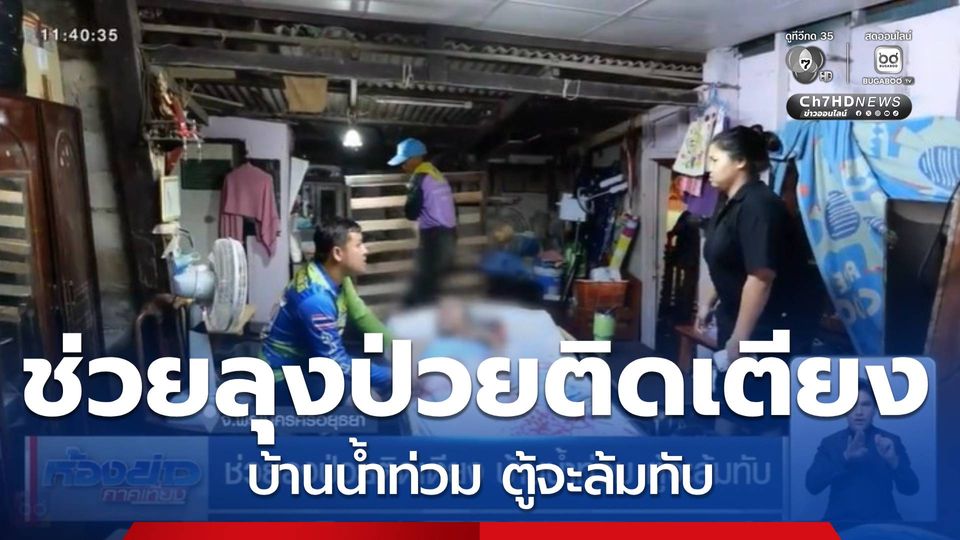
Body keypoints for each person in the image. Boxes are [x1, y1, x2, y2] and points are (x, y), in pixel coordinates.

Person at [695, 124, 804, 435]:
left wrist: (740, 339)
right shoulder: (729, 203)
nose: (709, 168)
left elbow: (761, 276)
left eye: (715, 160)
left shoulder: (759, 206)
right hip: (734, 319)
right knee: (729, 408)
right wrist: (707, 303)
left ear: (740, 161)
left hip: (763, 329)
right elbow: (727, 261)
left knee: (756, 417)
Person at [261, 218, 392, 395]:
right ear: (337, 253)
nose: (365, 251)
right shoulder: (316, 300)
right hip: (281, 377)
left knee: (371, 349)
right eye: (358, 245)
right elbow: (336, 364)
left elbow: (361, 314)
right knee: (347, 388)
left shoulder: (332, 274)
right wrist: (398, 377)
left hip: (306, 360)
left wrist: (398, 348)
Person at [805, 379, 919, 524]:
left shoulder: (890, 442)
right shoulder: (830, 443)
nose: (859, 412)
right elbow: (812, 486)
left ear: (875, 410)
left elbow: (911, 489)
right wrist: (845, 457)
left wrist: (893, 461)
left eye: (865, 405)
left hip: (882, 525)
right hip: (841, 525)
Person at [388, 138, 457, 306]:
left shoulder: (418, 178)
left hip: (434, 236)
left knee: (424, 284)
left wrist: (405, 205)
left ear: (415, 159)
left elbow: (411, 213)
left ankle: (418, 314)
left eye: (404, 161)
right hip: (450, 235)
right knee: (434, 283)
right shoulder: (436, 174)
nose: (403, 166)